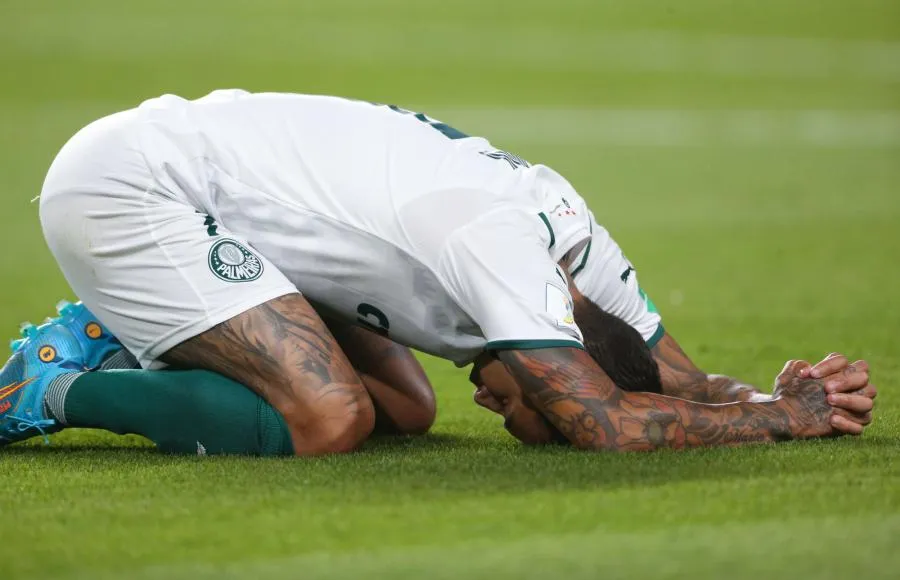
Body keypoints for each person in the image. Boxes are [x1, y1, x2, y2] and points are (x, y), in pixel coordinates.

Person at [0, 90, 876, 455]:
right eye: (531, 404)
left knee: (408, 413)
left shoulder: (582, 262)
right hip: (132, 186)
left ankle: (150, 331)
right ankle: (52, 386)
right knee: (331, 419)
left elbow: (668, 380)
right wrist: (782, 429)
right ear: (554, 357)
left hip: (238, 208)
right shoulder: (498, 246)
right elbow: (605, 421)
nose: (504, 412)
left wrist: (778, 395)